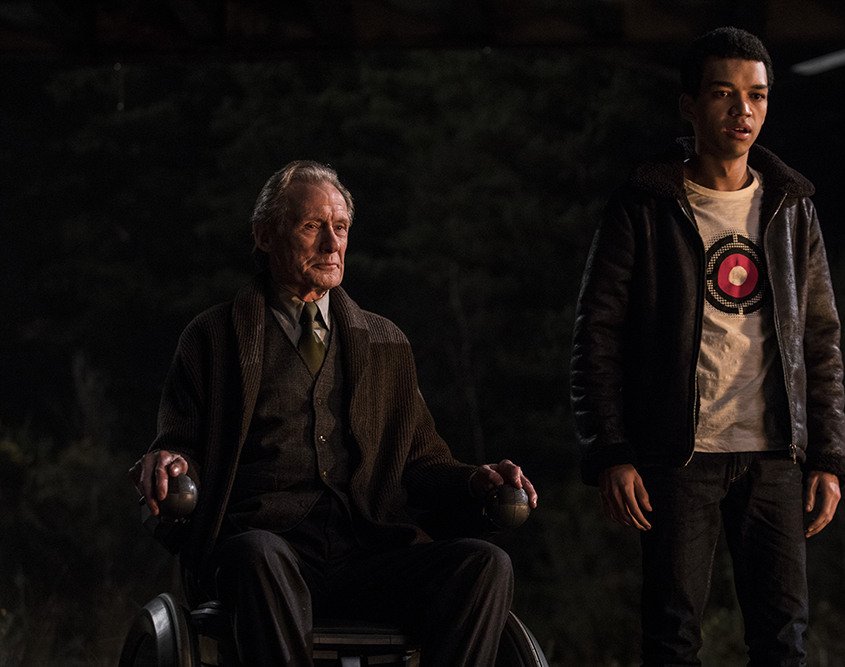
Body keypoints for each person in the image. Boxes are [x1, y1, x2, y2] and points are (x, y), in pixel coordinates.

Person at [130, 160, 538, 665]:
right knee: (259, 552)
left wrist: (477, 481)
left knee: (485, 565)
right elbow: (180, 446)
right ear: (264, 236)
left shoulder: (386, 343)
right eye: (311, 226)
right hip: (266, 558)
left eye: (340, 228)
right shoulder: (212, 339)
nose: (331, 244)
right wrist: (171, 462)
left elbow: (422, 463)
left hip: (369, 558)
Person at [571, 26, 844, 665]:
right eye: (724, 93)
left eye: (757, 95)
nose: (742, 110)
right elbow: (596, 335)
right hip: (678, 453)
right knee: (671, 638)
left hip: (775, 454)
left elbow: (822, 338)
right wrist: (611, 450)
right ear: (689, 105)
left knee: (784, 640)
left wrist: (829, 456)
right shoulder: (645, 204)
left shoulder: (791, 206)